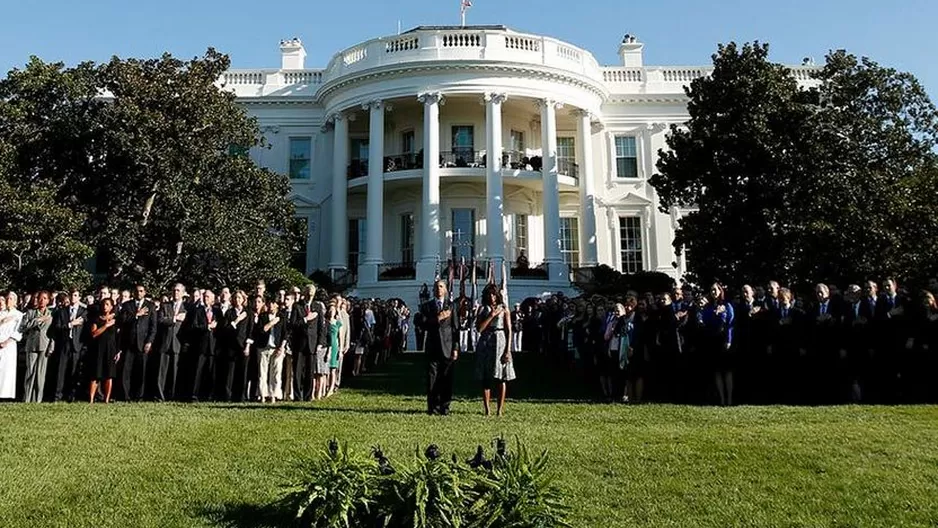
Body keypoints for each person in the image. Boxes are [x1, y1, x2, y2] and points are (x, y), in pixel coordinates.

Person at [474, 285, 516, 416]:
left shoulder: (504, 309)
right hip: (486, 342)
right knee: (486, 377)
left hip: (500, 341)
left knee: (501, 378)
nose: (491, 297)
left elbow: (509, 330)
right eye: (489, 295)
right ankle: (487, 409)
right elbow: (479, 329)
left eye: (493, 295)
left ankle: (499, 410)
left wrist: (508, 350)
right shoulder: (482, 309)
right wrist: (491, 315)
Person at [420, 280, 459, 415]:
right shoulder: (426, 306)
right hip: (432, 347)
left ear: (446, 290)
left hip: (448, 347)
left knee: (447, 379)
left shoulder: (452, 306)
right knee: (432, 378)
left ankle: (445, 407)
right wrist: (438, 318)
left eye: (441, 287)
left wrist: (455, 348)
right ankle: (432, 408)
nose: (438, 289)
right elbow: (422, 325)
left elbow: (455, 328)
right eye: (436, 287)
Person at [119, 284, 157, 401]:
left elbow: (153, 326)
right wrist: (136, 315)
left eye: (141, 291)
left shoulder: (150, 306)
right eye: (137, 291)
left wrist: (149, 342)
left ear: (145, 292)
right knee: (126, 371)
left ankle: (139, 396)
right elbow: (122, 320)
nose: (139, 293)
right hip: (129, 343)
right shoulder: (127, 305)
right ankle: (126, 396)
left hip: (143, 343)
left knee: (141, 371)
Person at [701, 283, 735, 406]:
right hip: (712, 339)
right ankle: (722, 399)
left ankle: (729, 398)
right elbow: (705, 320)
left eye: (715, 290)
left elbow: (730, 324)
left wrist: (729, 340)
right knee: (717, 371)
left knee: (727, 370)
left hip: (724, 339)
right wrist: (713, 313)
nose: (713, 292)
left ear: (720, 291)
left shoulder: (727, 305)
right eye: (711, 290)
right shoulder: (708, 306)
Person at [187, 289, 222, 402]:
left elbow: (221, 327)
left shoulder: (217, 311)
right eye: (204, 296)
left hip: (213, 345)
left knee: (211, 371)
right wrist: (207, 326)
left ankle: (210, 395)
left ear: (213, 299)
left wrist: (216, 327)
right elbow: (193, 326)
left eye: (208, 297)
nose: (206, 298)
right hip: (201, 345)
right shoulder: (198, 311)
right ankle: (194, 395)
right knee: (198, 371)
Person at [20, 290, 55, 402]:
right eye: (40, 298)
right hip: (32, 345)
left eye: (45, 298)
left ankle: (38, 399)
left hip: (44, 345)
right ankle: (27, 398)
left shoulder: (51, 314)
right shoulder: (30, 313)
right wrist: (37, 320)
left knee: (41, 374)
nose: (42, 300)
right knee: (30, 372)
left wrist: (51, 346)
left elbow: (53, 332)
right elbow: (23, 327)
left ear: (48, 300)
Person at [52, 289, 86, 402]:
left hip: (77, 344)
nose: (73, 297)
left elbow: (85, 329)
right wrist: (70, 324)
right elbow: (57, 327)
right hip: (64, 343)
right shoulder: (62, 312)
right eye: (71, 295)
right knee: (61, 370)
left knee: (74, 371)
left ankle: (72, 395)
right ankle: (58, 395)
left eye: (76, 295)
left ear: (79, 297)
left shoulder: (83, 312)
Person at [156, 283, 188, 402]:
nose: (176, 293)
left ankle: (173, 395)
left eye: (178, 291)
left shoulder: (187, 308)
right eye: (174, 290)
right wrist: (174, 319)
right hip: (165, 342)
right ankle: (160, 395)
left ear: (183, 293)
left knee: (175, 371)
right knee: (162, 371)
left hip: (178, 343)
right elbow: (161, 320)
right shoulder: (165, 306)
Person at [88, 298, 119, 404]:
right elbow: (94, 333)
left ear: (111, 307)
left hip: (110, 350)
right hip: (98, 349)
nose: (105, 306)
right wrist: (106, 325)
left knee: (109, 375)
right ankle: (91, 399)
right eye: (103, 304)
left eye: (107, 304)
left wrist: (118, 351)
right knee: (95, 375)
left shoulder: (116, 320)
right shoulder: (96, 319)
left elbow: (118, 336)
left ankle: (106, 400)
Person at [0, 293, 24, 400]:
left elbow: (18, 332)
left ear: (15, 301)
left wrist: (7, 341)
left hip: (9, 345)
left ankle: (6, 395)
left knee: (7, 370)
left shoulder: (19, 315)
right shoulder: (2, 313)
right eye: (7, 298)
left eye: (11, 299)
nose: (8, 300)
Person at [326, 300, 343, 396]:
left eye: (333, 310)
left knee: (333, 369)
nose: (331, 312)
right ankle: (326, 385)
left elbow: (340, 337)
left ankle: (331, 388)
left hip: (334, 346)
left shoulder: (338, 323)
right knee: (326, 369)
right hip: (327, 345)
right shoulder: (326, 322)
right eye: (330, 310)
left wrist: (340, 350)